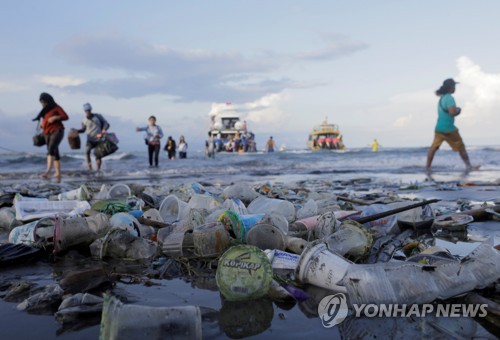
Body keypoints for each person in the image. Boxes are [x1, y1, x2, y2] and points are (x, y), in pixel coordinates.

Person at [426, 78, 479, 177]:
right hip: (449, 128)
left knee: (433, 147)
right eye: (454, 86)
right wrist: (458, 110)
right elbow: (452, 112)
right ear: (450, 87)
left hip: (439, 128)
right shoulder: (450, 98)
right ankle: (469, 166)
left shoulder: (442, 98)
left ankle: (427, 168)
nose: (455, 88)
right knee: (461, 147)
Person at [34, 93, 69, 181]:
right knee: (55, 153)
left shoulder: (56, 108)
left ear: (48, 100)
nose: (42, 104)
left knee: (50, 149)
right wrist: (42, 124)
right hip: (47, 133)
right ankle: (58, 174)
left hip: (57, 131)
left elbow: (65, 116)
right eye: (41, 102)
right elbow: (45, 120)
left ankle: (47, 172)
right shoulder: (45, 111)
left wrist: (56, 117)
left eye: (43, 102)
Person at [75, 103, 110, 171]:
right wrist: (77, 131)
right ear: (84, 111)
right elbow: (83, 130)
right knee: (87, 152)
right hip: (90, 139)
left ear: (91, 110)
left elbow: (106, 123)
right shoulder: (84, 120)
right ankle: (90, 168)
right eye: (86, 111)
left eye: (88, 110)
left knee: (98, 155)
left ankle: (98, 170)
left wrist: (104, 129)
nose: (87, 112)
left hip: (100, 137)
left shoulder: (98, 116)